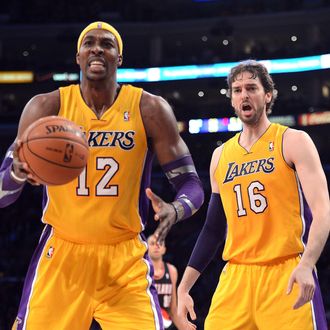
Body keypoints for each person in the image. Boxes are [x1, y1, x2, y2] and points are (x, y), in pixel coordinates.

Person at [0, 21, 204, 330]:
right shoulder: (46, 106)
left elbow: (192, 185)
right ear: (78, 56)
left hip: (124, 258)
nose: (97, 48)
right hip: (62, 256)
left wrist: (175, 210)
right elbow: (3, 195)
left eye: (107, 44)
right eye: (89, 43)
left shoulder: (149, 109)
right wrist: (17, 172)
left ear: (119, 58)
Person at [177, 60, 330, 330]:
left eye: (251, 88)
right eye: (237, 90)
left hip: (285, 271)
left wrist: (307, 265)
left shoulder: (293, 141)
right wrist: (184, 287)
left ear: (267, 95)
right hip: (236, 276)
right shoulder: (220, 156)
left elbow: (323, 213)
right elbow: (213, 229)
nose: (244, 94)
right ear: (232, 100)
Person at [147, 234, 188, 330]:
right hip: (146, 319)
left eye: (160, 243)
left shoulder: (171, 271)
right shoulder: (141, 271)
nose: (156, 246)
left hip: (165, 321)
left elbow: (173, 310)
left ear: (164, 249)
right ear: (146, 248)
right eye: (152, 243)